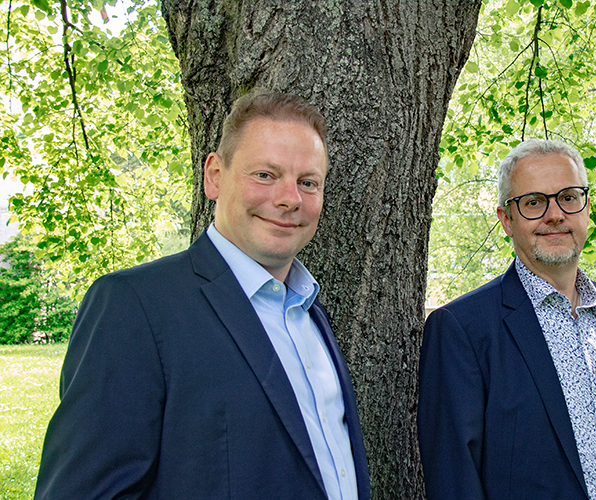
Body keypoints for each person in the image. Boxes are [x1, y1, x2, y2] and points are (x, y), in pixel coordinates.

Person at [35, 92, 370, 500]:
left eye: (308, 183)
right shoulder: (135, 308)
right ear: (214, 175)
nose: (289, 198)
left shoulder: (308, 311)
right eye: (265, 174)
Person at [417, 139, 596, 500]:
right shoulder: (462, 330)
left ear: (587, 207)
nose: (555, 214)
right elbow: (453, 480)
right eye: (534, 202)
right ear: (506, 219)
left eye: (568, 196)